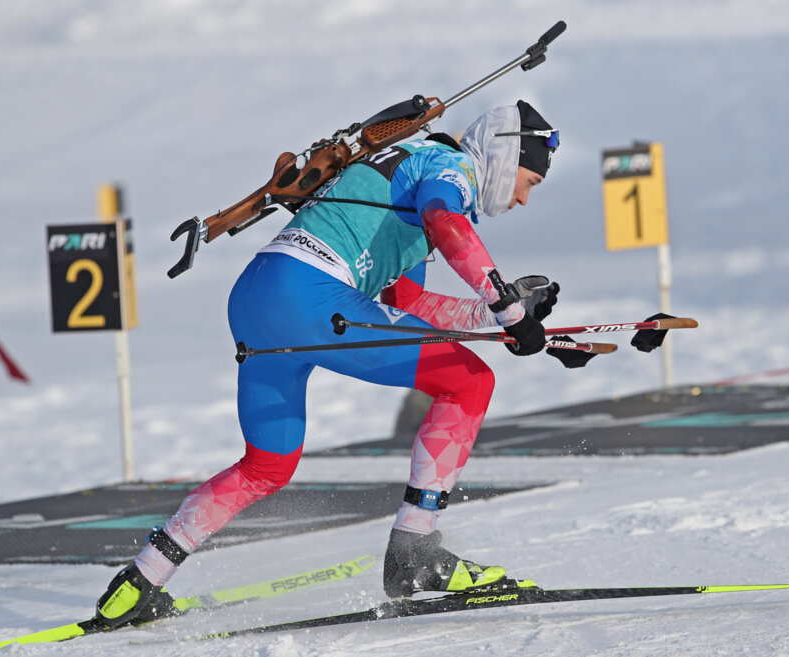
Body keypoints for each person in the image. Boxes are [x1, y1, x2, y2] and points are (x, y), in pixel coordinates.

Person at [94, 100, 562, 627]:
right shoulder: (448, 167)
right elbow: (444, 217)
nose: (523, 197)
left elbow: (408, 306)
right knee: (470, 382)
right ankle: (415, 551)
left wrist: (504, 316)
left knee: (266, 465)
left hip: (256, 296)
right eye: (529, 181)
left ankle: (137, 584)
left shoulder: (408, 168)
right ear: (503, 154)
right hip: (310, 296)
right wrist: (504, 304)